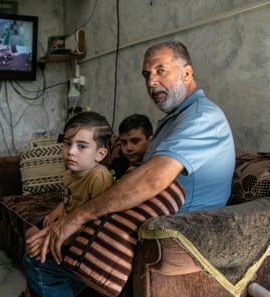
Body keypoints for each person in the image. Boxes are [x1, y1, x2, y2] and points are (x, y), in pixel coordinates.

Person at [24, 40, 235, 297]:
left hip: (177, 234)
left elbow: (152, 179)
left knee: (41, 260)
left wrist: (76, 219)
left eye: (161, 70)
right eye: (146, 74)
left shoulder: (203, 117)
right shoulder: (174, 120)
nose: (151, 82)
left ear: (187, 73)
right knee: (41, 239)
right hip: (144, 220)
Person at [20, 111, 114, 297]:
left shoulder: (98, 177)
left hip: (83, 242)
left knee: (34, 257)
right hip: (67, 230)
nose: (71, 151)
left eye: (81, 146)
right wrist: (56, 212)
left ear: (100, 154)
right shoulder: (70, 173)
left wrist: (55, 239)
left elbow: (96, 224)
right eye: (67, 143)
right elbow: (69, 199)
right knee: (30, 234)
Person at [108, 114, 153, 180]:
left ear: (150, 141)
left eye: (135, 141)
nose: (128, 148)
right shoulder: (118, 163)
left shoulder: (154, 167)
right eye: (124, 142)